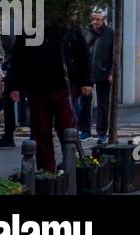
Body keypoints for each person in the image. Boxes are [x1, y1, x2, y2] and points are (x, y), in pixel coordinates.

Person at [7, 23, 90, 172]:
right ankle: (47, 171)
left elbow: (82, 54)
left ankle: (70, 167)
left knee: (66, 129)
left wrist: (86, 81)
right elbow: (19, 57)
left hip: (64, 85)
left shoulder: (68, 26)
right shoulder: (30, 27)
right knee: (41, 132)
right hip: (37, 87)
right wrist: (14, 85)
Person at [80, 8, 115, 140]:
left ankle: (101, 132)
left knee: (103, 104)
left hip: (104, 73)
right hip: (87, 73)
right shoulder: (86, 32)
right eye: (93, 19)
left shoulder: (110, 33)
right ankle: (84, 130)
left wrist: (111, 73)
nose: (95, 22)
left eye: (98, 19)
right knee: (85, 102)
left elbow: (115, 55)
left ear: (103, 20)